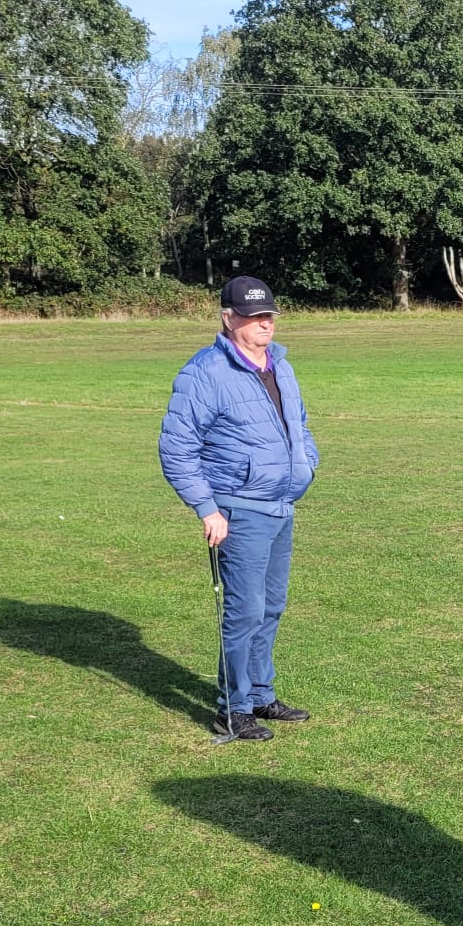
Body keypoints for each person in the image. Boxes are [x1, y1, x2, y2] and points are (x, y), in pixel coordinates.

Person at [158, 276, 319, 740]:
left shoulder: (281, 365)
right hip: (238, 508)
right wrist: (207, 508)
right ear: (228, 319)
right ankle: (233, 708)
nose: (264, 323)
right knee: (244, 609)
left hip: (281, 504)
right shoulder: (204, 372)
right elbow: (177, 448)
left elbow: (299, 423)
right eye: (252, 317)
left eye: (268, 315)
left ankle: (261, 695)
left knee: (271, 605)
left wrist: (307, 462)